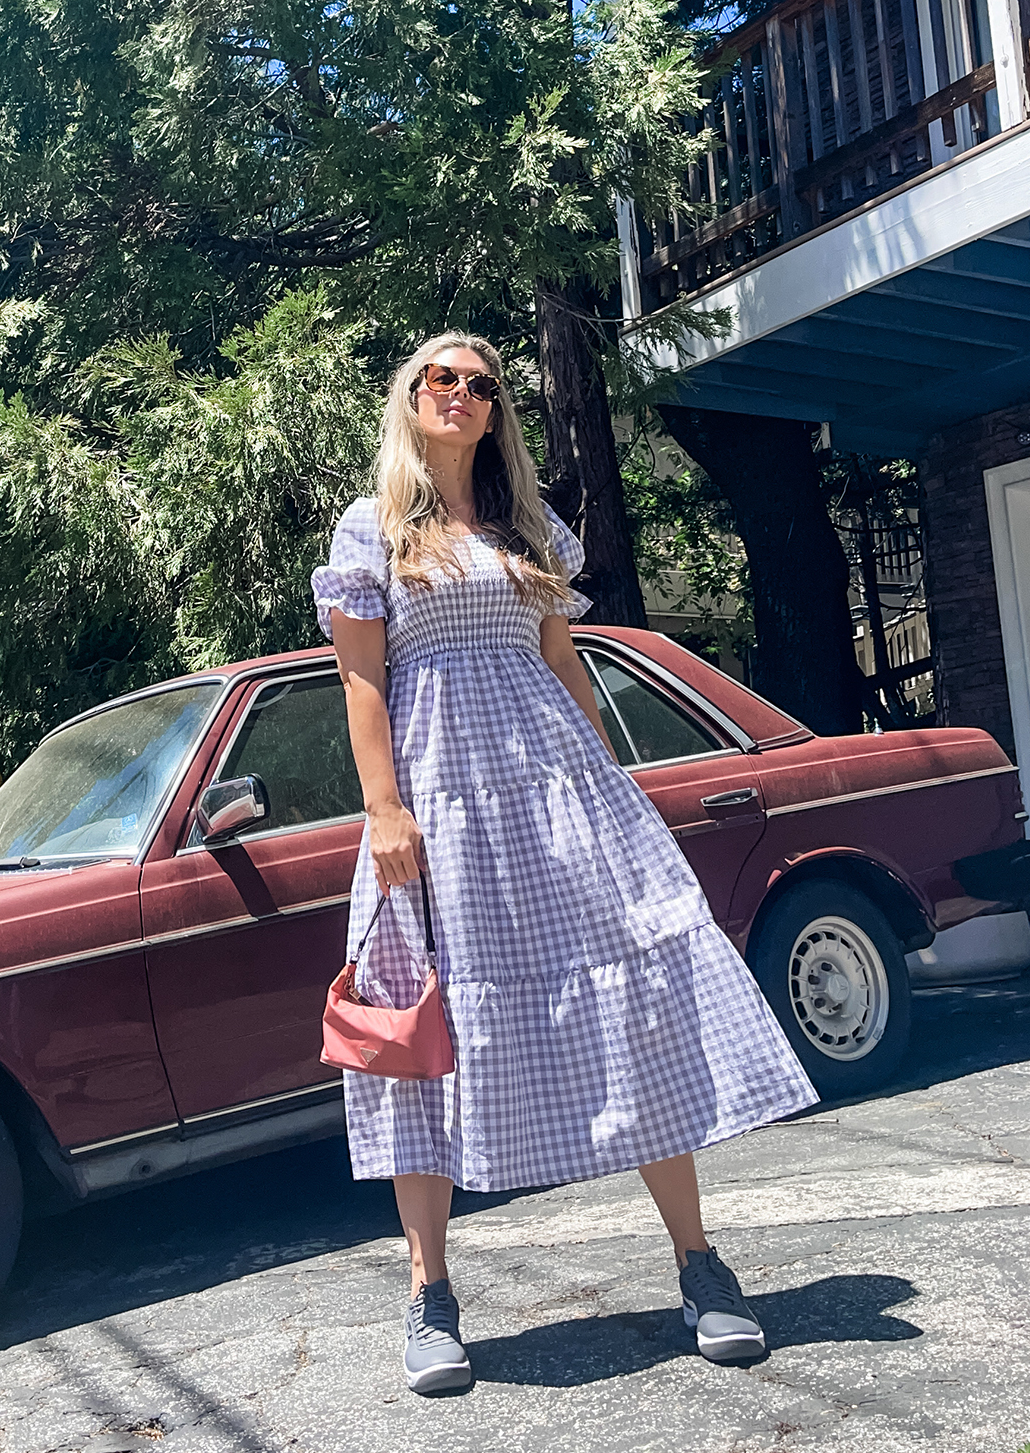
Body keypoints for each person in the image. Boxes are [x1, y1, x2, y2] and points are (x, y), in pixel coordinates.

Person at [312, 332, 818, 1396]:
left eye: (481, 383)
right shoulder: (370, 531)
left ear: (496, 412)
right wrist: (384, 811)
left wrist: (609, 785)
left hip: (553, 790)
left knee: (631, 996)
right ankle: (427, 1293)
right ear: (408, 400)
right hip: (438, 807)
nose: (461, 393)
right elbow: (361, 684)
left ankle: (697, 1260)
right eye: (439, 378)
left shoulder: (525, 529)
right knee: (421, 1030)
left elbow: (560, 662)